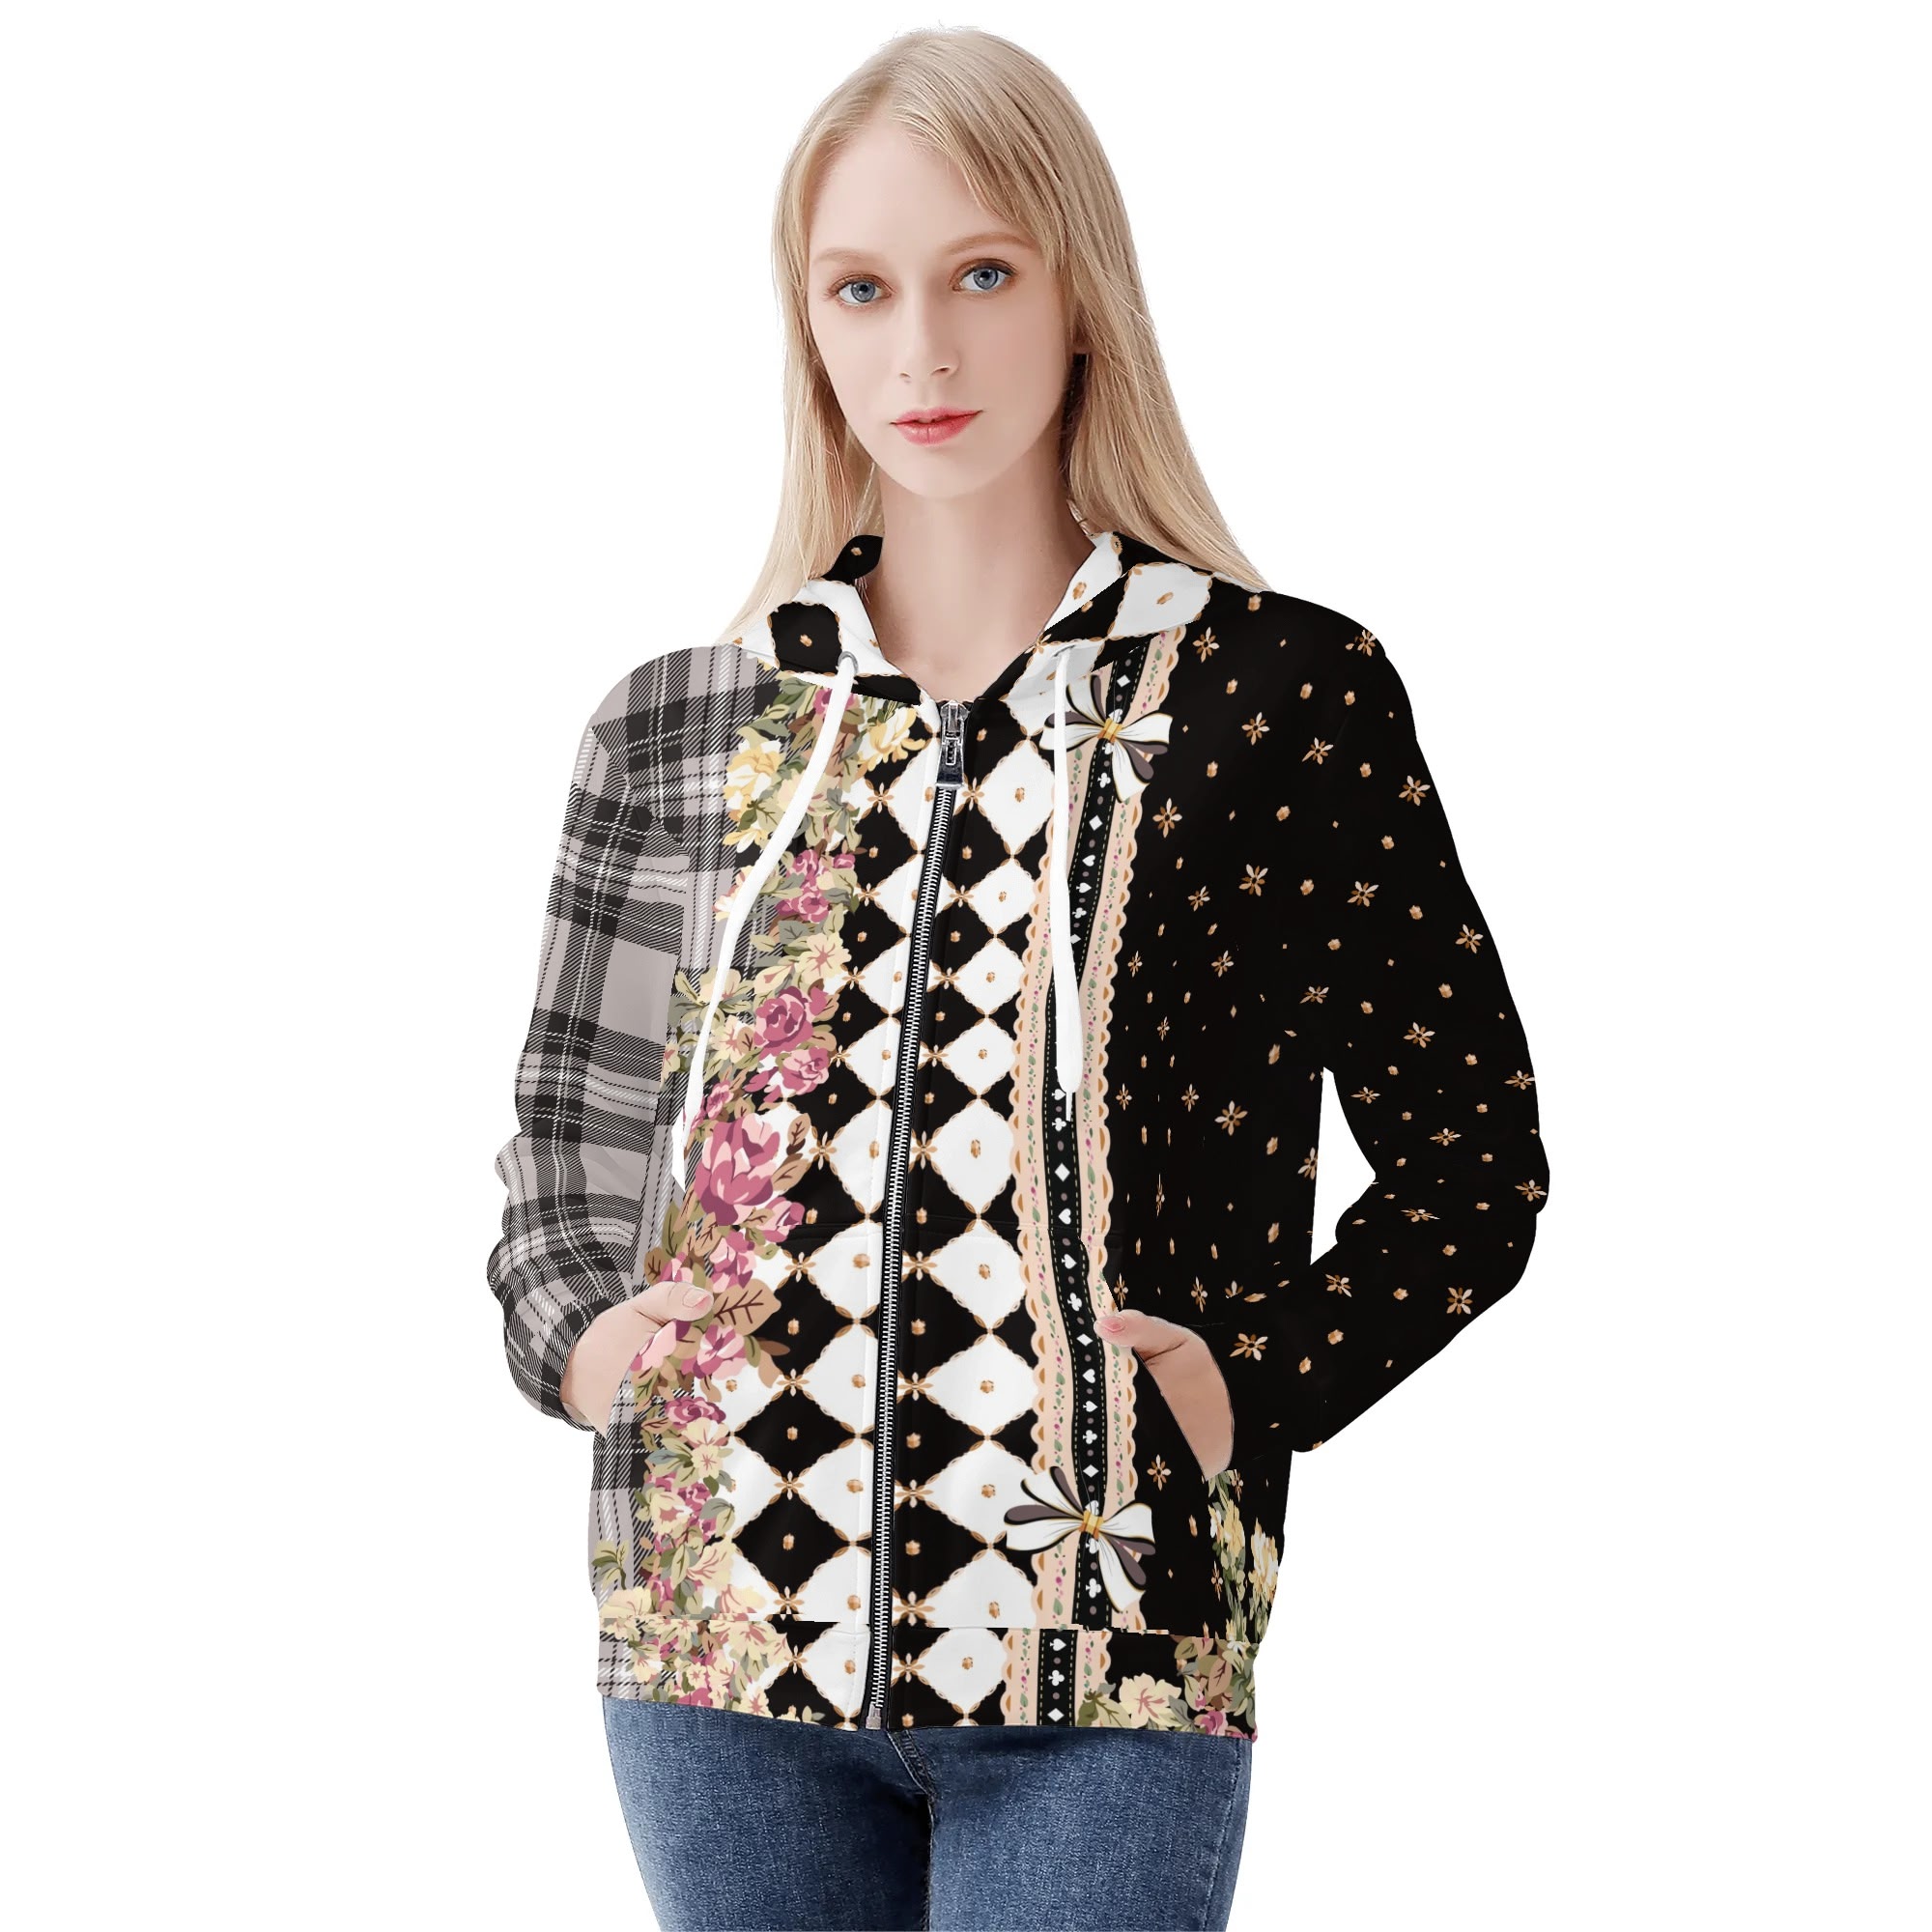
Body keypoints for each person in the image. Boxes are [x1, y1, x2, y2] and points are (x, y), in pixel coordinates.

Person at [485, 25, 1551, 1932]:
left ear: (1081, 294)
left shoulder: (1279, 698)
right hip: (714, 1644)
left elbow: (1474, 1160)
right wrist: (587, 1347)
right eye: (861, 289)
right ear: (807, 326)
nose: (923, 351)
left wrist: (1250, 1389)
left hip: (1109, 1641)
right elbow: (563, 1153)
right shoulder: (679, 728)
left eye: (981, 273)